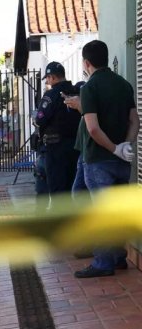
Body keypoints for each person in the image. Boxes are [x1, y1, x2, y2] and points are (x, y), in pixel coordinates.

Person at [68, 40, 140, 278]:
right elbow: (135, 121)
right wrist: (125, 146)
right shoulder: (124, 85)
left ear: (87, 63)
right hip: (121, 159)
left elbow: (93, 129)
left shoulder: (90, 88)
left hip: (99, 158)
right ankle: (118, 256)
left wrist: (113, 149)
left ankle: (102, 262)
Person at [34, 61, 82, 200]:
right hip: (76, 147)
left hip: (55, 149)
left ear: (52, 77)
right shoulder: (77, 92)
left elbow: (40, 120)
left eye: (48, 79)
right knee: (74, 187)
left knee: (58, 191)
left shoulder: (51, 95)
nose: (47, 82)